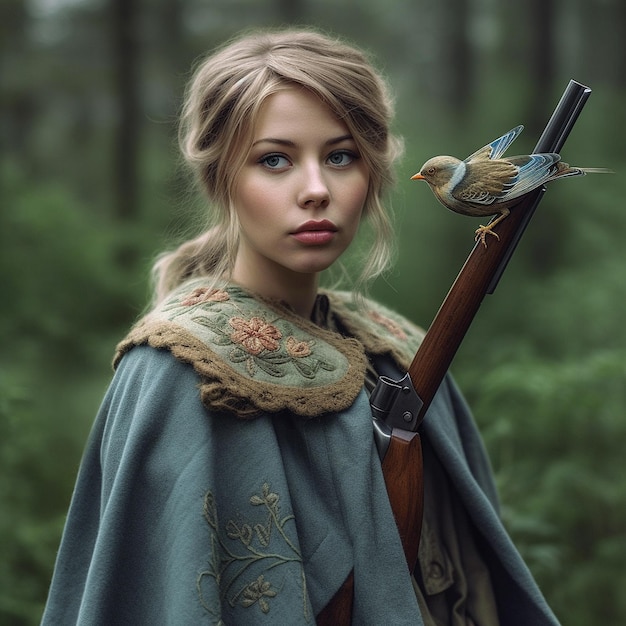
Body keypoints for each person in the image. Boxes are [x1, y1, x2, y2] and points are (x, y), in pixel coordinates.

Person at [42, 28, 560, 625]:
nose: (316, 190)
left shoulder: (400, 350)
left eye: (340, 157)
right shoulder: (171, 373)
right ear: (221, 179)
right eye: (274, 160)